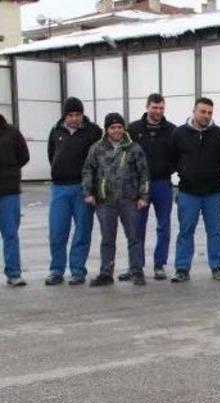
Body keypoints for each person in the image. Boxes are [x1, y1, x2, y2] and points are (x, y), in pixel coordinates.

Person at [82, 113, 150, 287]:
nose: (117, 130)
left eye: (119, 127)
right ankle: (106, 273)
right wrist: (88, 192)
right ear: (106, 130)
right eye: (113, 127)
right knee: (107, 238)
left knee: (134, 237)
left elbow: (144, 173)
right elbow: (88, 170)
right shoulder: (97, 148)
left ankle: (136, 271)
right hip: (105, 201)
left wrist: (143, 196)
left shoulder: (134, 148)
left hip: (129, 200)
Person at [170, 97, 220, 283]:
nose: (206, 115)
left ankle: (217, 267)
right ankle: (182, 269)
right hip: (188, 192)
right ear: (194, 111)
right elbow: (172, 157)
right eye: (203, 112)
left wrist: (214, 170)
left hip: (213, 193)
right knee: (185, 231)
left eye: (209, 113)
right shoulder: (179, 134)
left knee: (214, 232)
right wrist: (185, 171)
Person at [45, 97, 102, 286]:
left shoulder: (93, 131)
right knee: (57, 231)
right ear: (64, 116)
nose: (74, 119)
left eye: (78, 115)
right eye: (70, 115)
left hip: (83, 189)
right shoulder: (56, 131)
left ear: (83, 114)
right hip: (60, 188)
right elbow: (51, 154)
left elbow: (100, 157)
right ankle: (56, 270)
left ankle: (78, 270)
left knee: (82, 231)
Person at [123, 93, 177, 281]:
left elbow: (177, 156)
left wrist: (168, 169)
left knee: (164, 226)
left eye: (161, 108)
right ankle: (136, 265)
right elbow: (125, 155)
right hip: (140, 186)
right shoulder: (133, 129)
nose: (158, 111)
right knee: (137, 226)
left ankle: (159, 265)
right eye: (155, 107)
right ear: (147, 107)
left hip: (163, 183)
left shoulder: (172, 130)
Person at [0, 113, 30, 287]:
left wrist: (9, 172)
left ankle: (13, 273)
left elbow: (24, 156)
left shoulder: (12, 133)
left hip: (8, 192)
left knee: (10, 234)